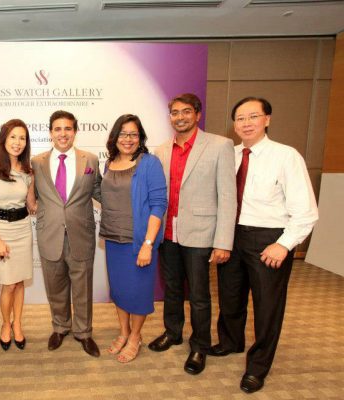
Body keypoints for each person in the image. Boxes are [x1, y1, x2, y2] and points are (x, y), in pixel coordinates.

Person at [210, 97, 319, 394]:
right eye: (240, 118)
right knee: (230, 297)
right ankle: (231, 342)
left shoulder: (286, 156)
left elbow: (306, 211)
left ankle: (258, 366)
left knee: (267, 305)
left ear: (267, 119)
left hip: (269, 238)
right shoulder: (229, 155)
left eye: (253, 116)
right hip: (231, 235)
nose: (246, 123)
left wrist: (284, 245)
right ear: (234, 124)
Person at [148, 93, 237, 375]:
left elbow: (228, 196)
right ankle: (173, 332)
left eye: (186, 111)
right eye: (175, 112)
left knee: (199, 295)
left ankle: (200, 345)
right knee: (172, 289)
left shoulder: (220, 145)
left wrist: (223, 242)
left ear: (198, 114)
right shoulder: (161, 150)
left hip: (201, 233)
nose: (180, 117)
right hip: (168, 233)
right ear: (170, 117)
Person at [31, 110, 102, 357]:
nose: (63, 134)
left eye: (68, 129)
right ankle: (60, 327)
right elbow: (30, 195)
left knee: (83, 287)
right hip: (49, 235)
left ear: (75, 131)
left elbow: (100, 192)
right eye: (58, 129)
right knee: (55, 286)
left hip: (81, 234)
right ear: (50, 132)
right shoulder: (37, 163)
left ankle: (84, 332)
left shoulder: (90, 160)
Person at [99, 114, 167, 363]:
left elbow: (158, 205)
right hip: (113, 240)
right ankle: (124, 332)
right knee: (119, 290)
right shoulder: (109, 163)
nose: (128, 139)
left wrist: (148, 244)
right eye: (123, 134)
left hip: (139, 241)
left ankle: (136, 336)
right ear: (115, 136)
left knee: (138, 292)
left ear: (140, 138)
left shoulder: (149, 163)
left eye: (133, 134)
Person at [0, 119, 35, 351]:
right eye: (13, 137)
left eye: (22, 138)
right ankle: (5, 324)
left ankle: (17, 324)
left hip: (23, 230)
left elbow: (32, 204)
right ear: (3, 139)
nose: (17, 142)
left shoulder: (28, 171)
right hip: (0, 231)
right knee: (8, 285)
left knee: (19, 282)